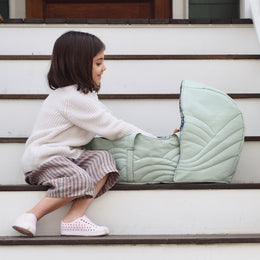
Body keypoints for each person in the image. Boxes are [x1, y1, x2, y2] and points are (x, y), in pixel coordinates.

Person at [12, 31, 154, 237]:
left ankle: (74, 218)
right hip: (44, 159)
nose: (104, 68)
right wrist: (153, 139)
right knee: (79, 178)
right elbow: (112, 127)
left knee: (103, 160)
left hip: (68, 157)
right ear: (78, 65)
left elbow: (105, 121)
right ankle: (31, 215)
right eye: (98, 63)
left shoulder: (82, 95)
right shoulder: (72, 97)